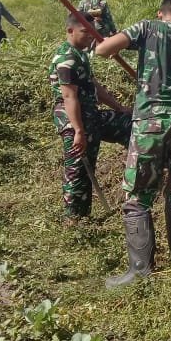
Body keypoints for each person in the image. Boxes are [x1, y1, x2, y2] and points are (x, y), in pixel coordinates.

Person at [95, 0, 171, 289]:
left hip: (149, 125)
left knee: (137, 195)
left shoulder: (146, 28)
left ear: (160, 13)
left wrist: (116, 45)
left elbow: (103, 49)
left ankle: (140, 270)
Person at [48, 13, 132, 221]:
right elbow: (69, 97)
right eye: (85, 31)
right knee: (78, 170)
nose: (90, 36)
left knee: (128, 124)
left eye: (92, 31)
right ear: (70, 31)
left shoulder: (80, 54)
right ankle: (75, 221)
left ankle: (144, 172)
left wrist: (119, 108)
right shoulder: (66, 59)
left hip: (90, 114)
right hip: (74, 119)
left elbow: (94, 86)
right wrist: (78, 131)